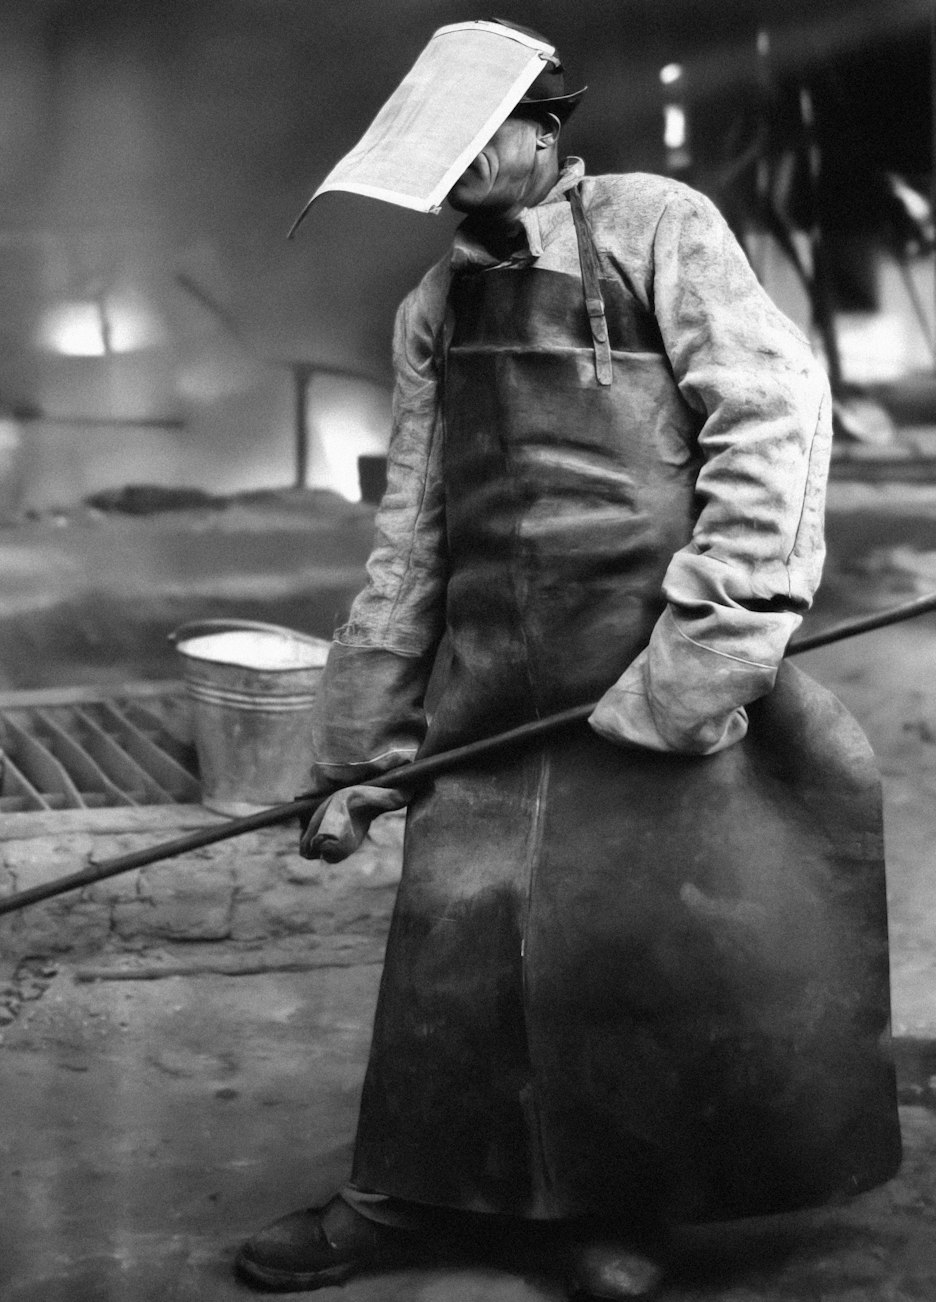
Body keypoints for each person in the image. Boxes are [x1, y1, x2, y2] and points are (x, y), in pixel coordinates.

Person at [235, 20, 901, 1301]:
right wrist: (362, 752)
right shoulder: (433, 304)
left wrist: (707, 653)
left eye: (483, 140)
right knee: (456, 950)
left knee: (636, 957)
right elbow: (413, 530)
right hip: (493, 685)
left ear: (546, 128)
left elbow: (771, 420)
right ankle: (405, 1197)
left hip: (647, 673)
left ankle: (621, 1209)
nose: (459, 171)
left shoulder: (659, 225)